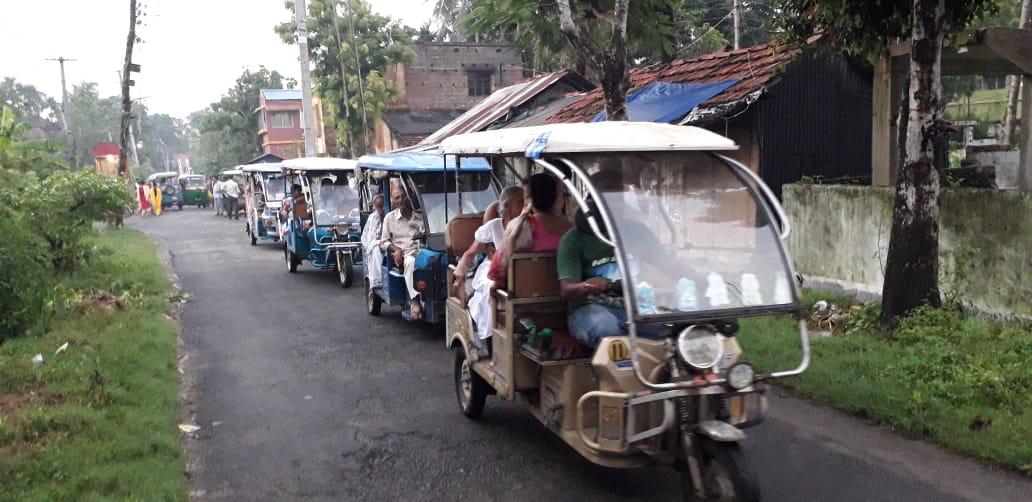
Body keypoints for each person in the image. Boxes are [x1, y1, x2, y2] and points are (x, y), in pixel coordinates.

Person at [453, 186, 524, 346]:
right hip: (493, 268)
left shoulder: (527, 225)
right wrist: (462, 264)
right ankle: (487, 338)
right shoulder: (494, 227)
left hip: (518, 269)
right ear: (507, 206)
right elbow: (471, 252)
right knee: (491, 285)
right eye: (520, 202)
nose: (525, 205)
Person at [488, 172, 572, 284]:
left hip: (525, 291)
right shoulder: (572, 227)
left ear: (529, 200)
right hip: (566, 291)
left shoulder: (521, 226)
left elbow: (498, 270)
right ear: (555, 197)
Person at [379, 183, 425, 319]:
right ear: (393, 200)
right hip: (404, 255)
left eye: (403, 196)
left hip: (422, 251)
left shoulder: (420, 217)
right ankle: (415, 301)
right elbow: (383, 242)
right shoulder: (390, 218)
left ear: (409, 196)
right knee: (411, 262)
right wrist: (396, 249)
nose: (401, 200)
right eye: (397, 198)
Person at [361, 194, 386, 288]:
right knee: (376, 247)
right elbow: (371, 237)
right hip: (378, 243)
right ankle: (378, 278)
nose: (381, 209)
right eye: (379, 207)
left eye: (382, 206)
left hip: (393, 240)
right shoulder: (373, 217)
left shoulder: (391, 214)